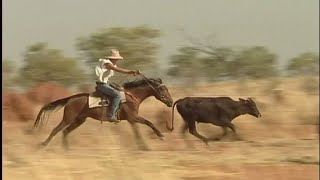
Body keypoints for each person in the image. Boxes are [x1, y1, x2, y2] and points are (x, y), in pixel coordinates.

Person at [95, 49, 140, 123]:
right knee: (117, 95)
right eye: (116, 59)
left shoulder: (110, 64)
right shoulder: (107, 63)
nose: (117, 60)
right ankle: (111, 115)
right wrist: (131, 72)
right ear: (112, 58)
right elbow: (117, 69)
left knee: (121, 91)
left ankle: (117, 113)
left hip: (105, 84)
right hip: (102, 86)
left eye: (117, 59)